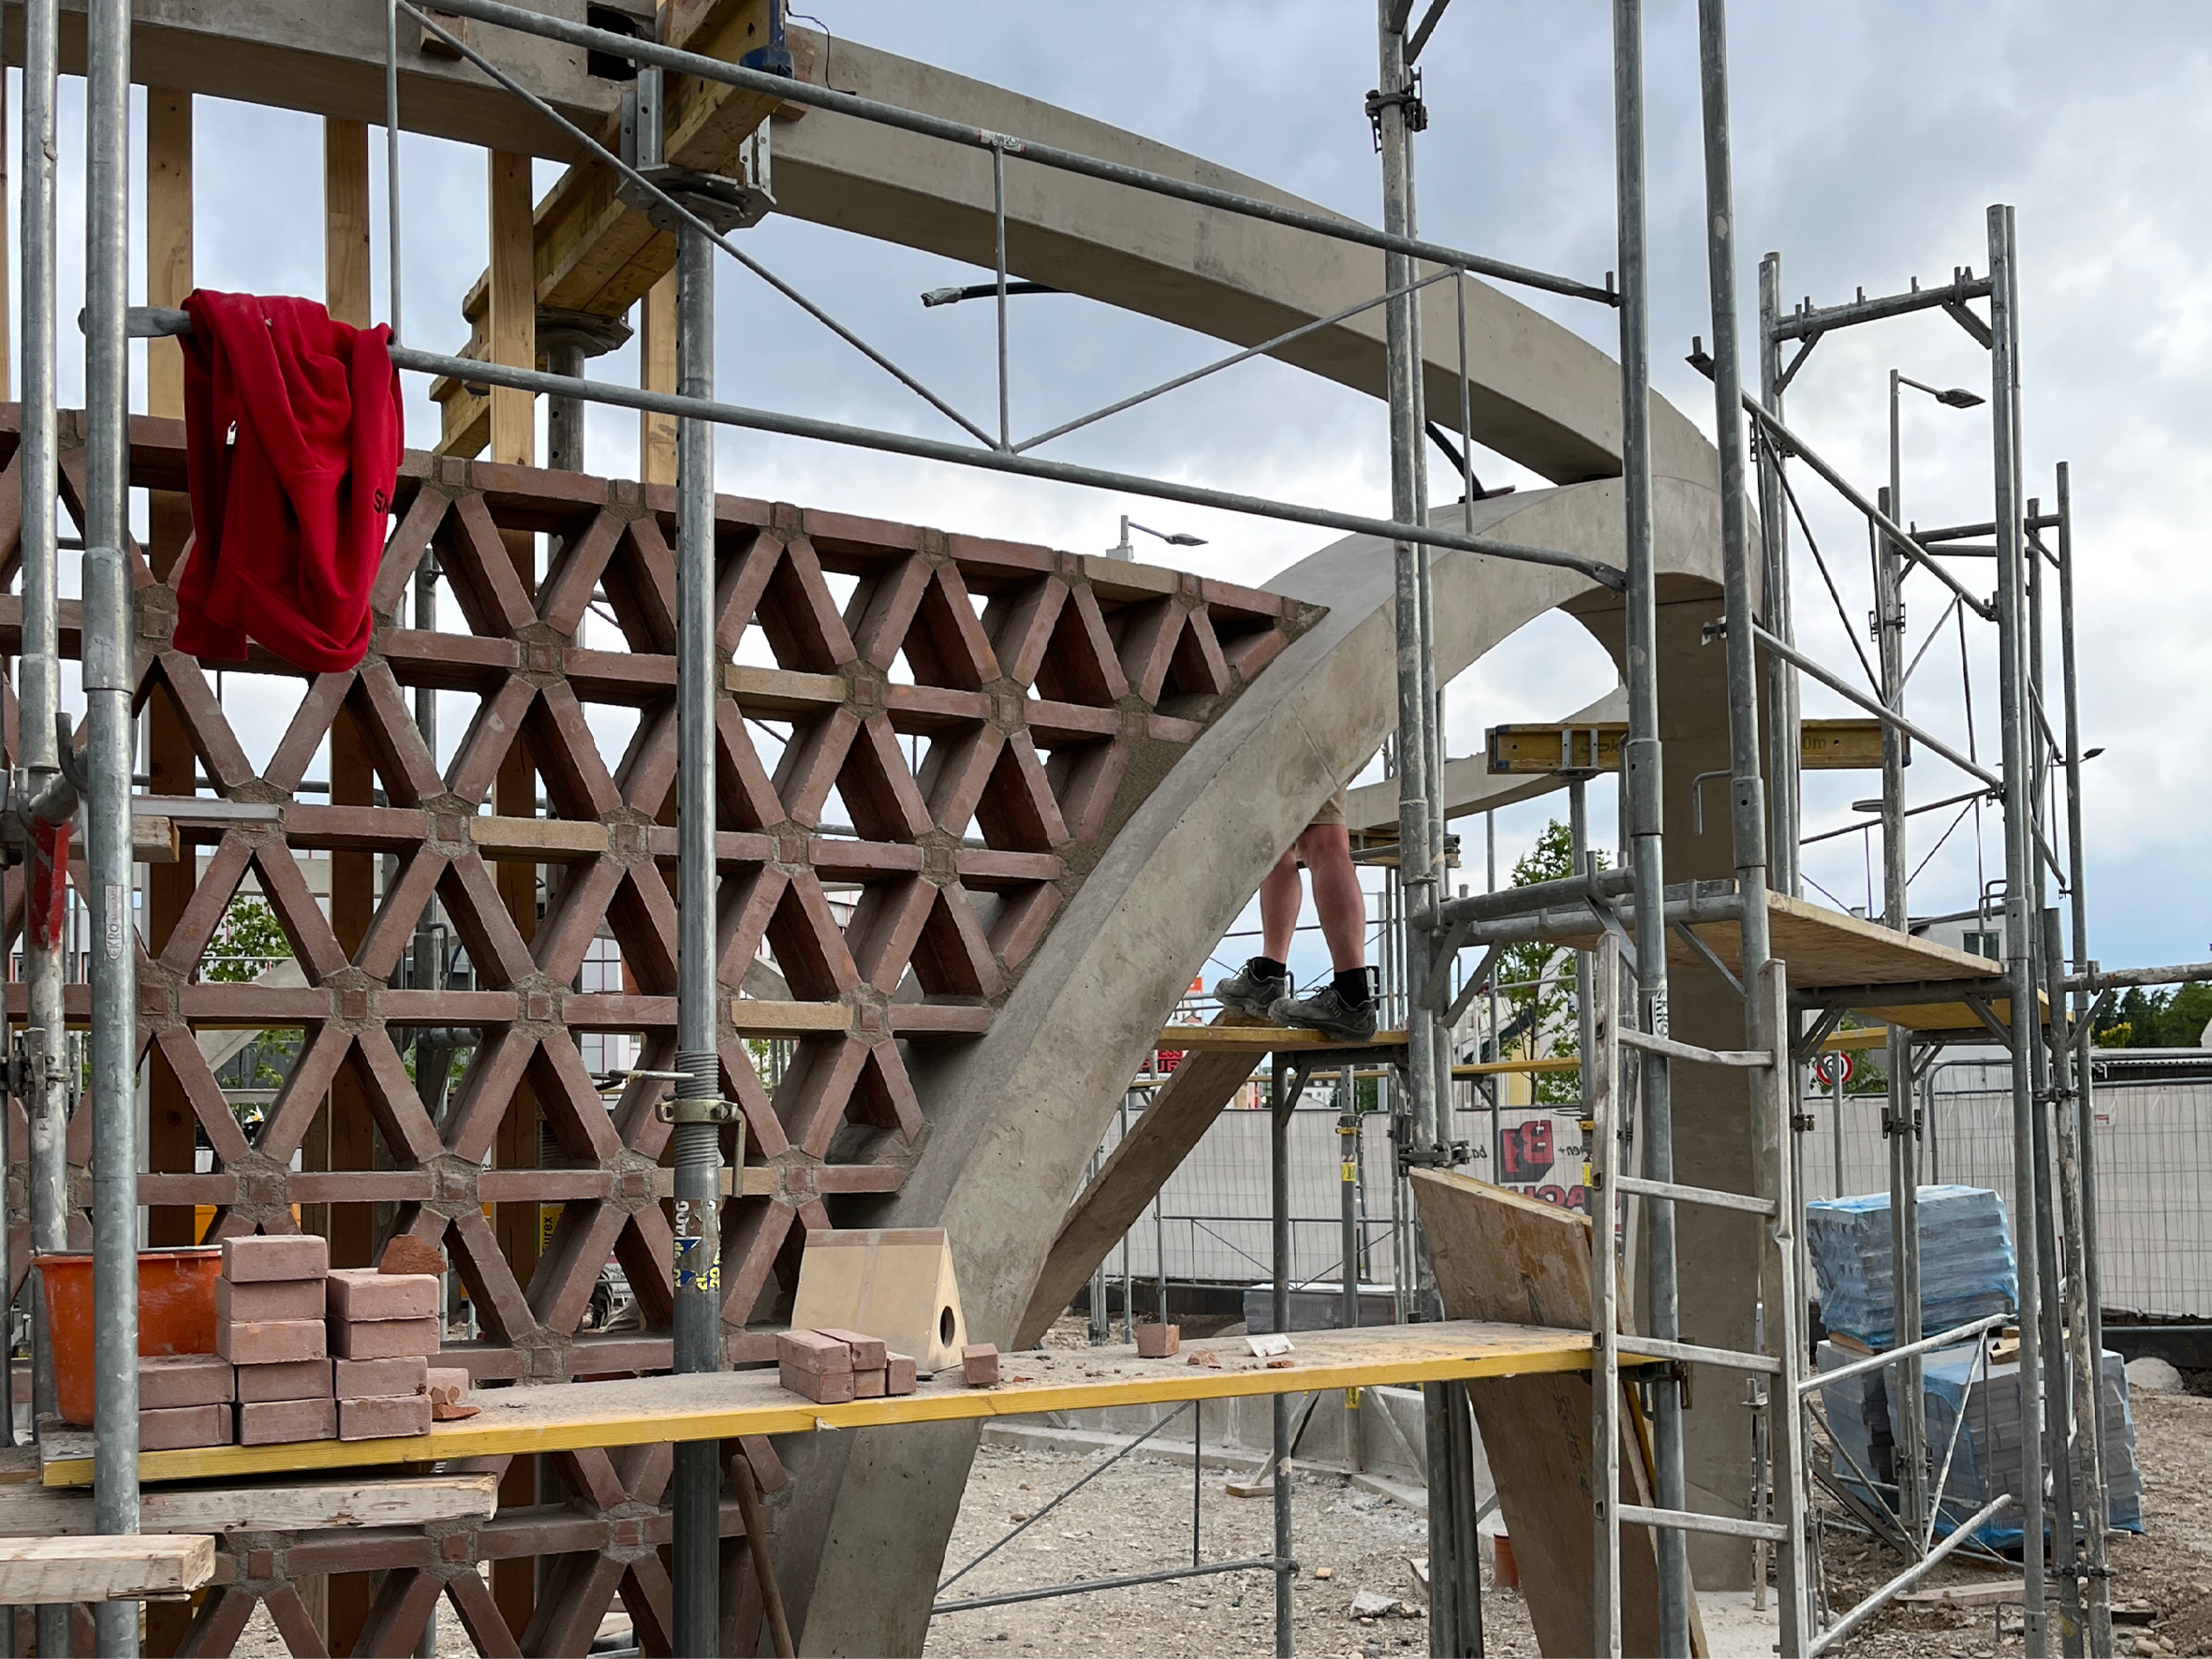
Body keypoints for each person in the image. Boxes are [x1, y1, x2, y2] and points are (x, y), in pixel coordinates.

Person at [1213, 785, 1378, 1041]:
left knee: (1323, 841)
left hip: (1290, 744)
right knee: (1276, 840)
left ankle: (1350, 997)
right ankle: (1269, 974)